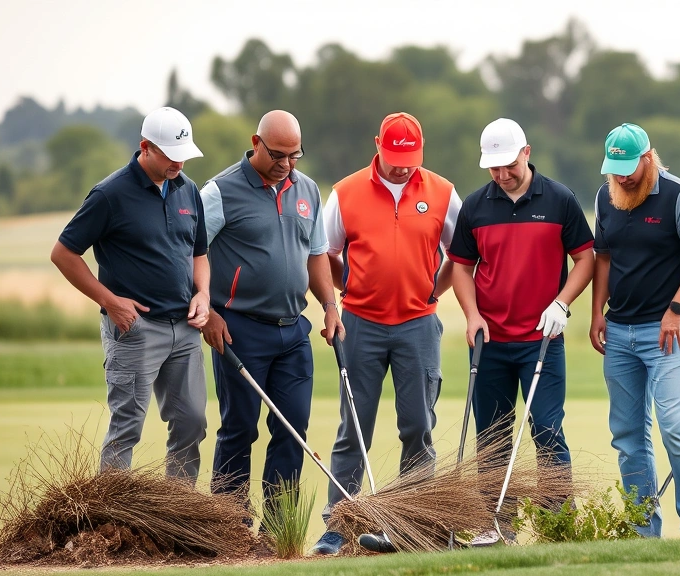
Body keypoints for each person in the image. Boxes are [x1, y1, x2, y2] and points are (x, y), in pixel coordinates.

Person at [311, 112, 462, 555]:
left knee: (418, 426)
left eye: (410, 159)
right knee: (353, 429)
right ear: (377, 144)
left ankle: (413, 525)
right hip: (360, 324)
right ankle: (338, 526)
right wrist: (345, 291)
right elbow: (322, 254)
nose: (402, 167)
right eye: (395, 157)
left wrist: (433, 288)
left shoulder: (443, 193)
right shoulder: (346, 192)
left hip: (418, 325)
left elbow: (462, 254)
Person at [449, 118, 595, 545]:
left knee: (548, 429)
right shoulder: (476, 206)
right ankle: (497, 526)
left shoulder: (560, 200)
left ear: (526, 152)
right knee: (492, 435)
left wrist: (561, 303)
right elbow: (461, 267)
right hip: (490, 341)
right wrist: (472, 315)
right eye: (493, 167)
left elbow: (585, 260)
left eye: (509, 164)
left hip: (542, 339)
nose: (502, 173)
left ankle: (558, 526)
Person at [51, 106, 209, 482]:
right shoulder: (110, 194)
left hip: (184, 330)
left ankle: (179, 515)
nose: (179, 164)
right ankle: (110, 523)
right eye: (171, 155)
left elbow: (199, 252)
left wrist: (203, 293)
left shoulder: (188, 190)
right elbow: (63, 253)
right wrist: (109, 301)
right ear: (145, 147)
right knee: (127, 427)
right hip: (135, 329)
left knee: (192, 423)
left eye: (183, 155)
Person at [199, 110, 342, 523]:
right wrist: (207, 311)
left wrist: (330, 306)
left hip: (293, 329)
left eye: (294, 156)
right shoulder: (220, 191)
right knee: (240, 428)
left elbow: (315, 254)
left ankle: (280, 527)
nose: (286, 165)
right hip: (238, 328)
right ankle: (231, 524)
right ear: (255, 143)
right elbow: (189, 255)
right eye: (277, 155)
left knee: (292, 428)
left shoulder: (308, 189)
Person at [591, 123, 680, 539]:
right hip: (620, 332)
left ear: (648, 158)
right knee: (628, 434)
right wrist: (597, 312)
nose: (623, 176)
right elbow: (604, 258)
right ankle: (642, 530)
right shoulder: (606, 195)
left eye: (629, 167)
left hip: (670, 329)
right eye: (616, 169)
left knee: (674, 424)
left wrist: (676, 308)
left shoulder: (678, 195)